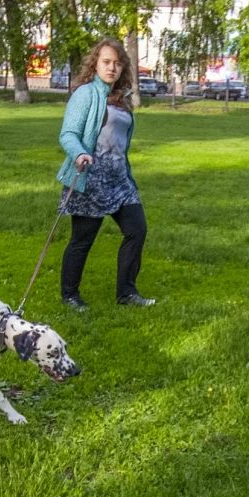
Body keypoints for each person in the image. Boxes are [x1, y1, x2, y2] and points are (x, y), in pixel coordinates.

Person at [56, 36, 155, 310]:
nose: (111, 68)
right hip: (91, 180)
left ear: (123, 68)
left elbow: (121, 145)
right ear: (95, 64)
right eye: (106, 62)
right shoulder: (86, 93)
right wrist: (79, 154)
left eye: (117, 63)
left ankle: (127, 293)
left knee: (137, 230)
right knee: (82, 241)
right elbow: (69, 134)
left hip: (120, 182)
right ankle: (70, 296)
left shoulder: (122, 101)